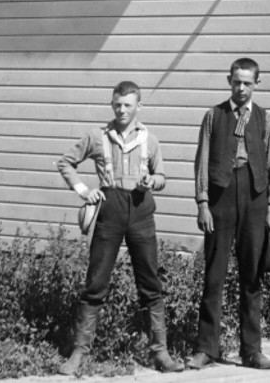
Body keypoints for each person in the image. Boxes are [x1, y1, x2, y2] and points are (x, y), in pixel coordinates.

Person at [55, 81, 183, 375]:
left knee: (150, 281)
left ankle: (160, 353)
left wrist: (153, 181)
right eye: (117, 104)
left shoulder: (150, 139)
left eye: (127, 105)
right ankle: (79, 353)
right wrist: (84, 190)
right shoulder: (97, 136)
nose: (122, 110)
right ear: (111, 104)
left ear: (139, 106)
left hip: (141, 210)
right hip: (109, 210)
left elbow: (162, 176)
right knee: (96, 281)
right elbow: (66, 163)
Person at [188, 57, 270, 371]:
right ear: (229, 80)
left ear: (257, 83)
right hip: (220, 197)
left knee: (252, 276)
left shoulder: (264, 118)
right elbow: (201, 160)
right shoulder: (214, 116)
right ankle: (206, 349)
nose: (241, 88)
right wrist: (203, 203)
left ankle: (252, 351)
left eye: (247, 83)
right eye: (236, 82)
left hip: (254, 197)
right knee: (214, 275)